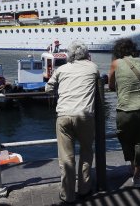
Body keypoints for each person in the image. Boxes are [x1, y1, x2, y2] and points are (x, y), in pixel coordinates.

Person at [45, 41, 99, 204]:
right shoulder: (93, 67)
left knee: (66, 158)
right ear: (86, 54)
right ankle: (84, 189)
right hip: (85, 116)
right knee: (86, 153)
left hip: (64, 116)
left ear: (69, 55)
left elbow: (48, 88)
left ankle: (67, 195)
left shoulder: (61, 69)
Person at [108, 38, 140, 188]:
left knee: (125, 138)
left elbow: (111, 85)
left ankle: (133, 165)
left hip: (125, 109)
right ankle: (137, 176)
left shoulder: (116, 63)